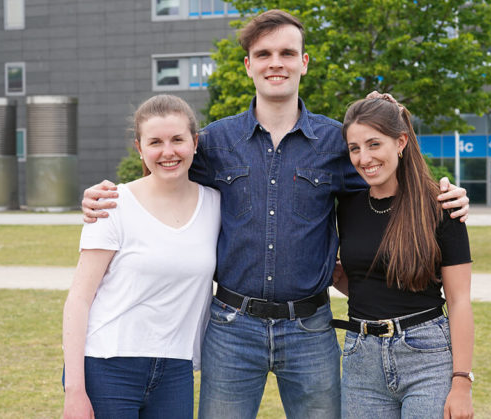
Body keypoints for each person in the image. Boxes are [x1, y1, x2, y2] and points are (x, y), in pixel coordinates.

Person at [81, 10, 470, 418]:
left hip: (310, 327)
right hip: (232, 327)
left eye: (287, 52)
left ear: (304, 62)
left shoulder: (337, 144)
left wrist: (443, 194)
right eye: (264, 53)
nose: (276, 63)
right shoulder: (215, 142)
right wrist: (107, 195)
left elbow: (388, 177)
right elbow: (163, 167)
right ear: (249, 65)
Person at [62, 94, 221, 419]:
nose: (168, 152)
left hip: (176, 369)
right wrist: (75, 391)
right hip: (107, 366)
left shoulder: (216, 205)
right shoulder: (111, 204)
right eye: (155, 142)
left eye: (177, 139)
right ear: (139, 148)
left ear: (194, 142)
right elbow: (78, 299)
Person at [331, 92, 474, 419]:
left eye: (374, 144)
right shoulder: (348, 206)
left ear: (400, 142)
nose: (364, 158)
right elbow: (364, 280)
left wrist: (462, 382)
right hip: (361, 356)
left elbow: (459, 299)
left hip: (427, 357)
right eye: (355, 148)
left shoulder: (441, 205)